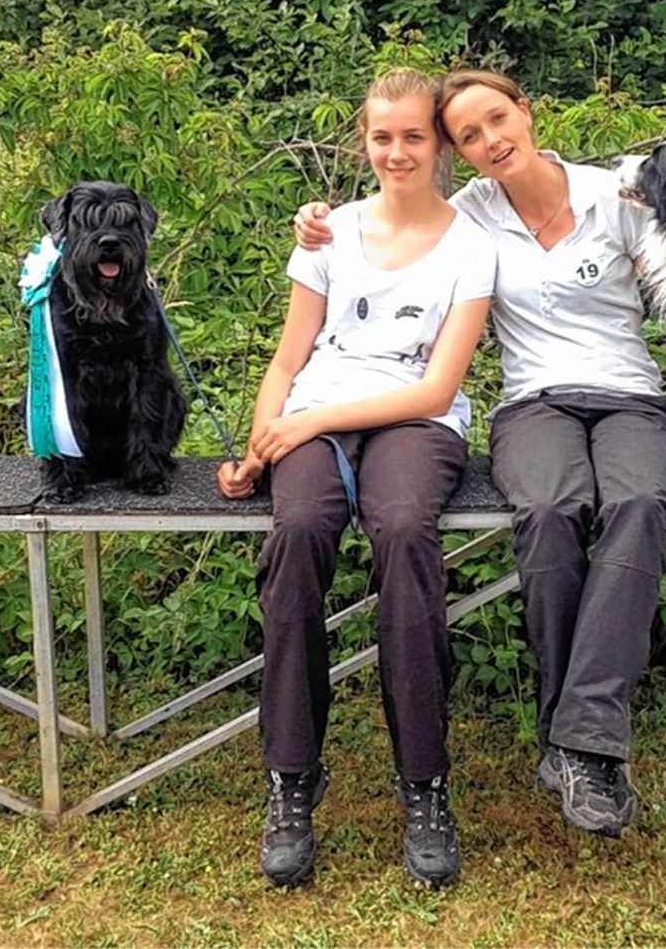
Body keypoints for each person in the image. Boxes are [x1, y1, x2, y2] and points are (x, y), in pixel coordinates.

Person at [294, 69, 666, 840]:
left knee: (639, 503)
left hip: (632, 396)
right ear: (457, 152)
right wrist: (315, 221)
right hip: (531, 401)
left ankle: (580, 741)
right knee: (547, 507)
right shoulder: (468, 215)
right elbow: (387, 214)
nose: (490, 141)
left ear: (526, 113)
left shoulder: (618, 196)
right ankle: (579, 741)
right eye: (469, 136)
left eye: (497, 120)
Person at [219, 68, 495, 889]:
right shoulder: (327, 232)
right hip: (315, 415)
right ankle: (291, 779)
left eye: (414, 136)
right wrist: (263, 441)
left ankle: (425, 784)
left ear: (438, 144)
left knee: (406, 535)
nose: (397, 152)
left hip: (414, 420)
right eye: (382, 137)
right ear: (362, 141)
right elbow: (289, 356)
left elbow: (439, 388)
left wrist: (306, 423)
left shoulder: (470, 245)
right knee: (299, 533)